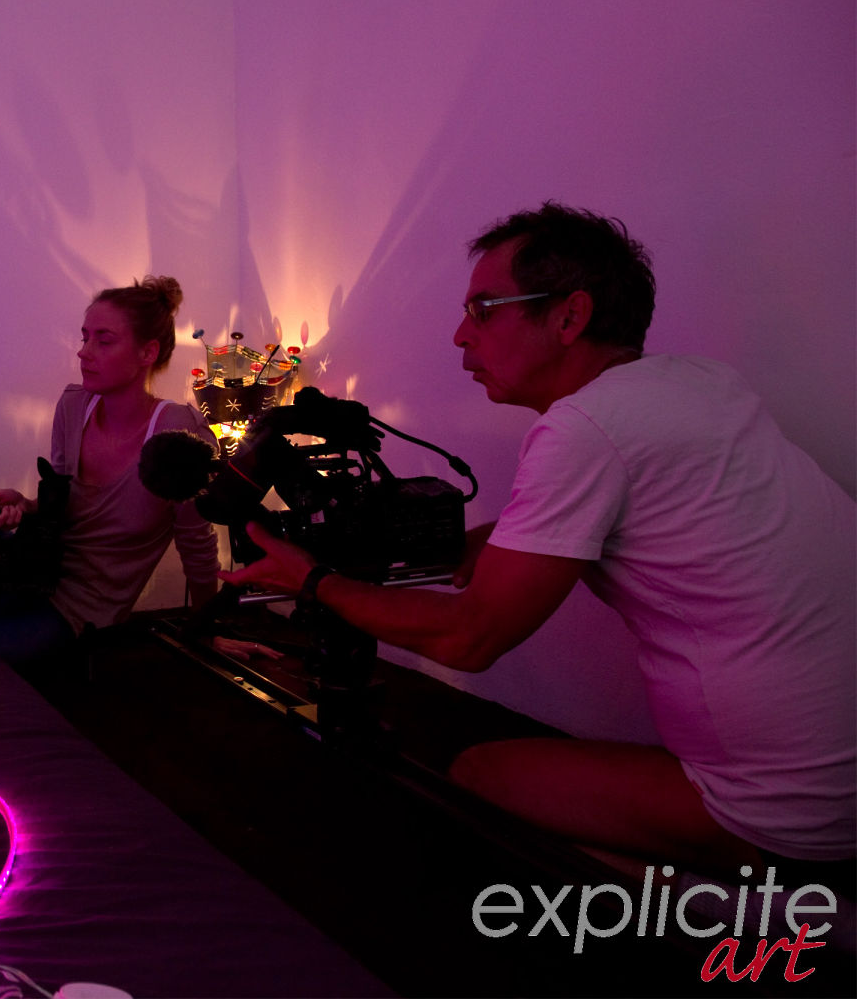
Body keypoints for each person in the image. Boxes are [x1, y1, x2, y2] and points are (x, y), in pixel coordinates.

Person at [221, 204, 855, 881]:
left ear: (570, 317)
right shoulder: (697, 383)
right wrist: (491, 539)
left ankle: (747, 907)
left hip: (798, 807)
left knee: (477, 776)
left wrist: (312, 581)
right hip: (838, 766)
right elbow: (658, 505)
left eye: (484, 309)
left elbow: (470, 640)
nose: (461, 334)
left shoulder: (584, 428)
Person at [0, 276, 222, 667]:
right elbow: (61, 506)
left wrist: (206, 631)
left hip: (74, 611)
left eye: (103, 340)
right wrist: (25, 506)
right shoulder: (74, 405)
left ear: (147, 352)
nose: (84, 352)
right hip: (27, 570)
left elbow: (197, 547)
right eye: (84, 338)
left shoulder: (178, 433)